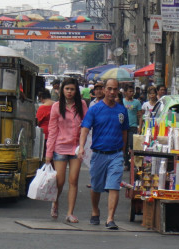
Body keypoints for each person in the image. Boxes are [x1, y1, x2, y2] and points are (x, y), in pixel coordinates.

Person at [78, 78, 129, 230]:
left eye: (115, 89)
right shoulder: (94, 109)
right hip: (99, 153)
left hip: (116, 154)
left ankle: (110, 218)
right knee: (96, 186)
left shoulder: (122, 110)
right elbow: (85, 129)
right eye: (109, 89)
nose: (112, 92)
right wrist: (81, 147)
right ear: (104, 90)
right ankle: (95, 211)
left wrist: (123, 151)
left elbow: (124, 132)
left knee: (114, 186)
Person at [45, 77, 88, 223]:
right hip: (60, 147)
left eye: (72, 89)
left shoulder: (81, 105)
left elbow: (86, 126)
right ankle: (55, 202)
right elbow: (52, 131)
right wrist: (48, 154)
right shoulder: (56, 106)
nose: (69, 92)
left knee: (73, 180)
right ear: (62, 90)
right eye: (67, 89)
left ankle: (70, 213)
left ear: (76, 91)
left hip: (76, 148)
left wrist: (83, 146)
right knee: (60, 181)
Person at [122, 83, 141, 168]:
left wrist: (140, 126)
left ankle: (132, 162)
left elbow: (140, 115)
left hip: (133, 126)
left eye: (132, 91)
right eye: (129, 91)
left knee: (132, 145)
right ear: (125, 92)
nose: (131, 93)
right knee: (125, 146)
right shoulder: (122, 101)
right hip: (123, 127)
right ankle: (126, 163)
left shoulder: (137, 102)